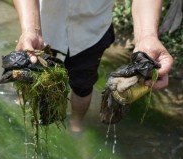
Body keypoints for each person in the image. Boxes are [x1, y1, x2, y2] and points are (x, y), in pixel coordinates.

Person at [12, 0, 173, 132]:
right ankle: (24, 103)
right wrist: (30, 29)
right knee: (34, 72)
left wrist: (147, 36)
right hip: (44, 25)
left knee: (83, 85)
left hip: (92, 31)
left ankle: (76, 123)